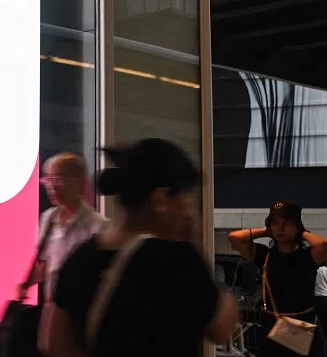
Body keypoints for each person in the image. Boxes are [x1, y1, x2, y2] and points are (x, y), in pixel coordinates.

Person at [39, 138, 239, 357]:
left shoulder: (82, 257)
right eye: (184, 198)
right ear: (160, 200)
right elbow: (222, 329)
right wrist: (194, 245)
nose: (187, 210)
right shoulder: (178, 261)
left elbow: (53, 343)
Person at [229, 201, 327, 357]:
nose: (280, 228)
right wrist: (266, 231)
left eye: (287, 223)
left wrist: (301, 231)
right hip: (273, 332)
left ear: (297, 225)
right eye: (275, 223)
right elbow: (235, 237)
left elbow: (323, 245)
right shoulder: (266, 255)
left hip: (304, 332)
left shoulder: (307, 256)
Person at [20, 152, 108, 304]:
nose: (52, 186)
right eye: (48, 180)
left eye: (58, 179)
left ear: (80, 181)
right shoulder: (47, 219)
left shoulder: (98, 226)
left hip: (81, 310)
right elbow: (47, 265)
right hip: (52, 308)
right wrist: (26, 284)